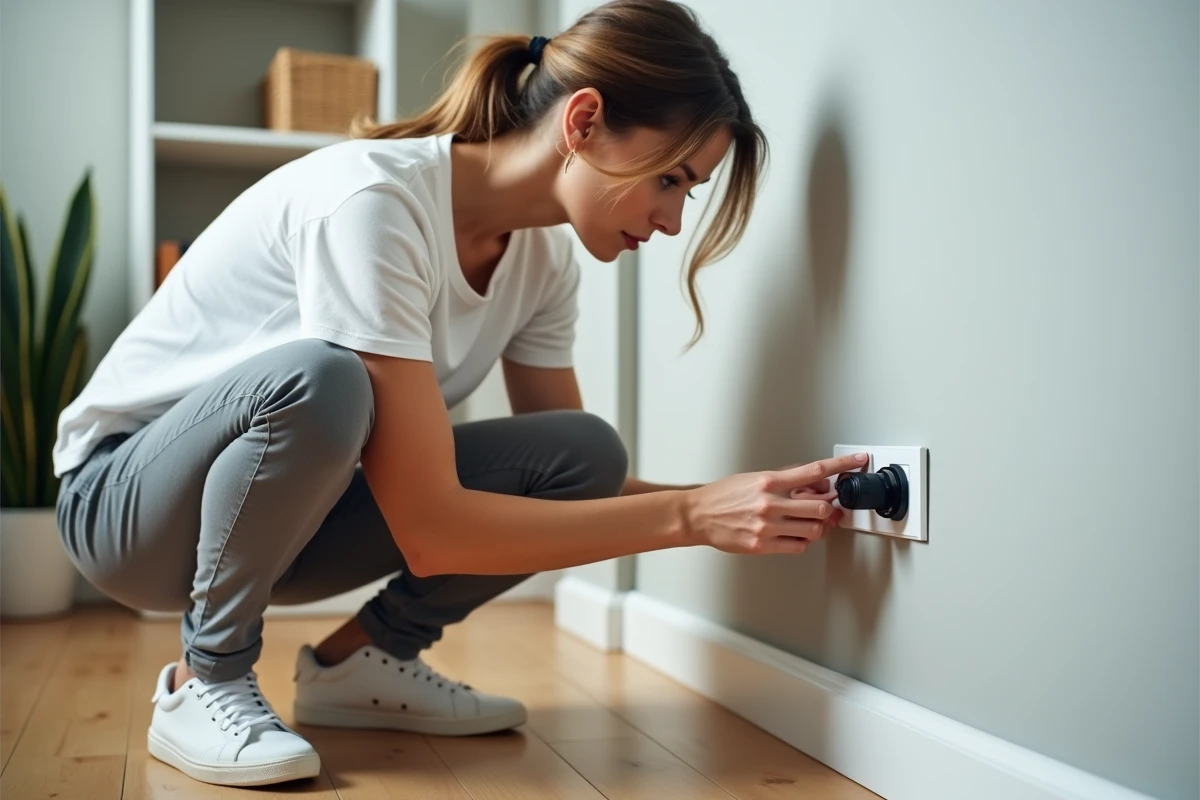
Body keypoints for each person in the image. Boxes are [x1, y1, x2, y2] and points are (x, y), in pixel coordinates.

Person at [53, 0, 867, 788]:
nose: (672, 219)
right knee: (324, 380)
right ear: (582, 122)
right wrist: (692, 518)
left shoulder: (543, 263)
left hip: (288, 521)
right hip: (125, 508)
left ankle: (362, 664)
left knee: (583, 450)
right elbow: (434, 531)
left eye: (689, 192)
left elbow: (578, 491)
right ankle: (207, 682)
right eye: (674, 179)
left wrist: (741, 502)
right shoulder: (374, 202)